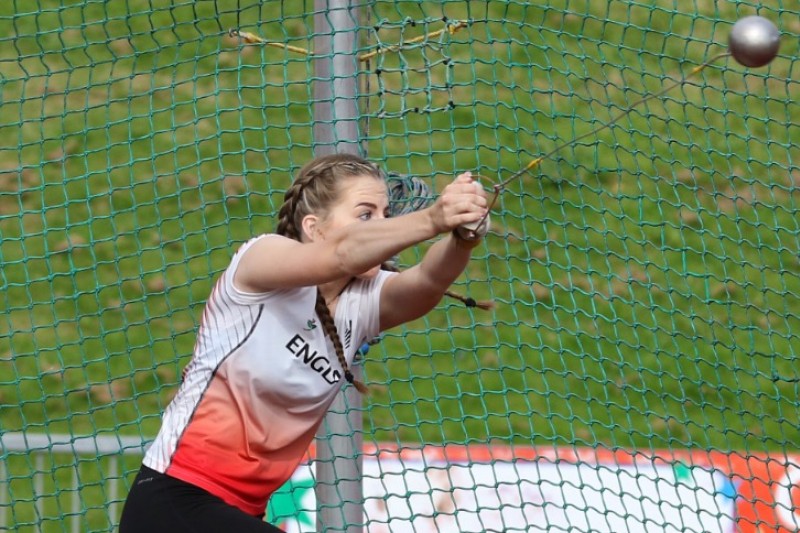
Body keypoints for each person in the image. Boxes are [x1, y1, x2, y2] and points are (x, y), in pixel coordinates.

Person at [118, 153, 490, 532]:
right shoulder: (261, 258)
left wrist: (463, 238)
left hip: (239, 513)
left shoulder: (362, 302)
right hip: (174, 498)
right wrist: (433, 219)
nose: (383, 226)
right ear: (314, 228)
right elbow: (342, 253)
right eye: (365, 214)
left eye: (385, 214)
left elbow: (428, 281)